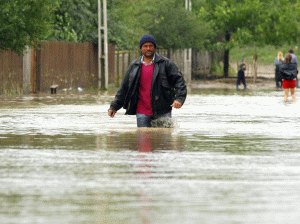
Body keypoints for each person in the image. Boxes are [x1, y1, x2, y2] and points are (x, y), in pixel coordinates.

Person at [108, 34, 187, 127]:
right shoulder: (134, 66)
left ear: (154, 47)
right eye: (145, 46)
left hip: (163, 110)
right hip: (142, 112)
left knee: (164, 140)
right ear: (141, 48)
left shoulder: (166, 64)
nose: (148, 48)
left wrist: (179, 99)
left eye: (151, 46)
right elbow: (124, 89)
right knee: (142, 139)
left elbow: (179, 82)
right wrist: (114, 107)